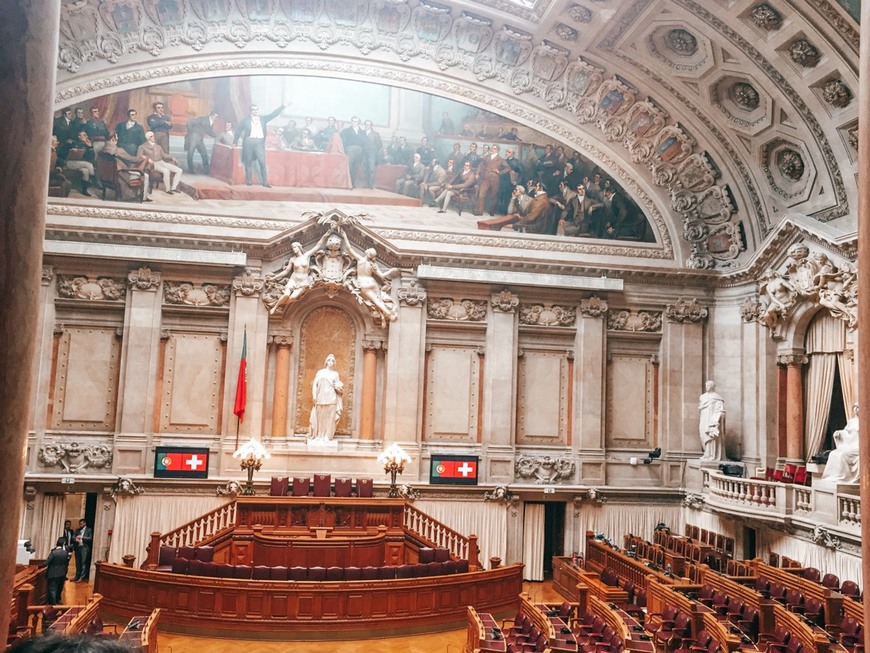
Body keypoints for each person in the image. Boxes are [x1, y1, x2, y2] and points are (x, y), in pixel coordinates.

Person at [264, 230, 332, 314]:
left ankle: (280, 303)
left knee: (292, 298)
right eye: (292, 248)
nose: (294, 249)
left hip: (303, 281)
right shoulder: (292, 259)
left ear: (299, 247)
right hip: (293, 280)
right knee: (286, 295)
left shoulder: (306, 256)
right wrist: (273, 278)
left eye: (295, 247)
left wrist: (326, 234)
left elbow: (317, 246)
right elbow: (286, 271)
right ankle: (275, 307)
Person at [339, 230, 398, 325]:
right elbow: (382, 276)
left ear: (367, 253)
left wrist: (344, 235)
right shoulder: (373, 265)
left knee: (376, 301)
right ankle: (388, 314)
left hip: (363, 284)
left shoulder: (360, 260)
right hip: (372, 282)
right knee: (378, 300)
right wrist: (391, 271)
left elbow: (349, 249)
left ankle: (388, 314)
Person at [233, 101, 288, 187]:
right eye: (253, 109)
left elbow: (274, 114)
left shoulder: (263, 119)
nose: (255, 111)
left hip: (259, 142)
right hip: (248, 141)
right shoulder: (245, 120)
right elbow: (238, 130)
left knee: (262, 162)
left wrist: (283, 106)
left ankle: (265, 182)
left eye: (256, 109)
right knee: (248, 162)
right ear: (250, 111)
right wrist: (235, 142)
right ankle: (249, 181)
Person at [103, 132, 152, 201]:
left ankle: (137, 194)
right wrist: (142, 158)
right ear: (113, 138)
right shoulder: (117, 150)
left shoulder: (105, 149)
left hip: (108, 176)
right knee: (146, 175)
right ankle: (143, 197)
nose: (118, 139)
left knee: (133, 168)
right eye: (117, 137)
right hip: (120, 175)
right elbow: (133, 159)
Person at [822, 404, 859, 483]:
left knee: (842, 454)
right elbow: (846, 433)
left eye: (858, 407)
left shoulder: (866, 421)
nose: (856, 409)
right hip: (850, 445)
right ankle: (832, 477)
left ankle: (841, 477)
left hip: (859, 446)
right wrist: (839, 433)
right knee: (833, 454)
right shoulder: (852, 421)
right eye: (855, 407)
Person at [309, 354, 343, 440]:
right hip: (321, 397)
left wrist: (338, 387)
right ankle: (319, 435)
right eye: (329, 360)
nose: (330, 362)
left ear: (334, 363)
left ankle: (327, 436)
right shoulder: (320, 372)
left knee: (330, 418)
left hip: (331, 398)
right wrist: (314, 396)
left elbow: (338, 386)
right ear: (326, 362)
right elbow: (314, 385)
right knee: (320, 418)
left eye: (332, 361)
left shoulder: (335, 374)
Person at [475, 143, 510, 216]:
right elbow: (480, 165)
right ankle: (480, 211)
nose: (492, 149)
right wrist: (477, 173)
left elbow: (508, 168)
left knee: (493, 195)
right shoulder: (487, 157)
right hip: (485, 178)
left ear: (498, 150)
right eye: (492, 148)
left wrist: (500, 172)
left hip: (495, 179)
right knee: (481, 194)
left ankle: (491, 211)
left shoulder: (500, 159)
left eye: (494, 148)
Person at [698, 381, 725, 462]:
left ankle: (711, 455)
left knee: (711, 436)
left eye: (709, 385)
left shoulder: (717, 398)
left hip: (711, 419)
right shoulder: (702, 397)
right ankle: (706, 453)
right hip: (704, 419)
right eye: (706, 385)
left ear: (713, 387)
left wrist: (715, 420)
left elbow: (721, 410)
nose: (707, 387)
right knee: (703, 435)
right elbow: (700, 407)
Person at [42, 538, 70, 604]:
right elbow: (67, 563)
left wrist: (38, 566)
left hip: (53, 573)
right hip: (62, 573)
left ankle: (53, 603)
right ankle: (58, 600)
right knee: (59, 588)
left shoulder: (54, 553)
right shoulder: (65, 553)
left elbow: (46, 563)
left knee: (52, 589)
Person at [340, 116, 366, 188]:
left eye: (356, 121)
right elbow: (342, 140)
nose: (354, 122)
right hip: (350, 149)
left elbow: (365, 142)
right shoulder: (346, 130)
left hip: (360, 151)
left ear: (359, 122)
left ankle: (352, 183)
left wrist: (363, 151)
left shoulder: (363, 132)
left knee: (356, 167)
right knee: (349, 166)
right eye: (353, 121)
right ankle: (346, 183)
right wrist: (345, 149)